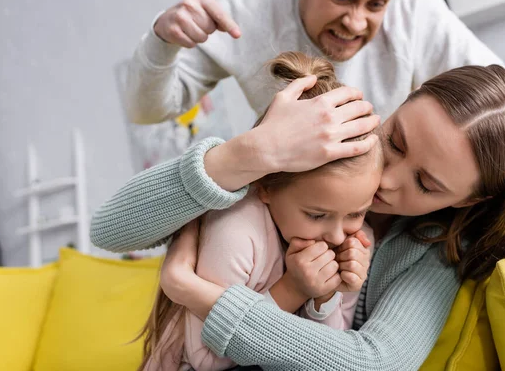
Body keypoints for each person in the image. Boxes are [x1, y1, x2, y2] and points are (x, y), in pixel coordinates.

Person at [91, 63, 505, 369]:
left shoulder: (435, 255)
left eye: (426, 184)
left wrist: (190, 291)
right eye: (394, 140)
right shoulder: (314, 148)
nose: (387, 178)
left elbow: (374, 364)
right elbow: (108, 230)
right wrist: (253, 152)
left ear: (466, 202)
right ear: (402, 100)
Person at [139, 52, 382, 371]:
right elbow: (206, 360)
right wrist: (293, 290)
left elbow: (327, 359)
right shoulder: (237, 231)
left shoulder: (358, 241)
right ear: (265, 186)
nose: (338, 235)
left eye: (356, 213)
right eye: (316, 215)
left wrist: (326, 297)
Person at [126, 0, 501, 125]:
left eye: (376, 4)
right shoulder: (249, 10)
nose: (355, 23)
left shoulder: (415, 9)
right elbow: (147, 112)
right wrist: (162, 42)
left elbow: (504, 101)